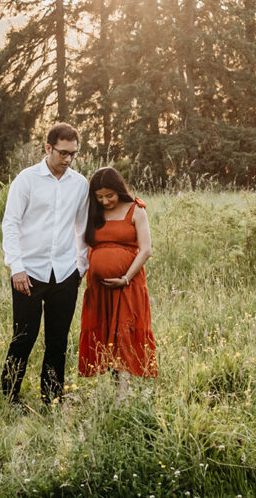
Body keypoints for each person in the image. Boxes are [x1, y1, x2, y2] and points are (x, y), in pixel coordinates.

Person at [0, 122, 88, 407]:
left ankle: (51, 399)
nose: (68, 159)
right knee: (23, 339)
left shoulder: (79, 184)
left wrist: (80, 267)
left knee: (58, 342)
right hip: (29, 274)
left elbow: (82, 229)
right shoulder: (26, 181)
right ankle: (9, 398)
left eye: (73, 153)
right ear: (48, 148)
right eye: (63, 153)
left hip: (64, 273)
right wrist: (16, 267)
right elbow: (10, 224)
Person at [77, 165, 157, 395]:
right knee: (106, 335)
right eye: (99, 196)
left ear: (118, 190)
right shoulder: (93, 212)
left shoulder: (136, 210)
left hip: (127, 285)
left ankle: (124, 392)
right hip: (99, 289)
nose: (104, 201)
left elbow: (146, 250)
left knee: (124, 334)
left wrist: (125, 278)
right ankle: (115, 390)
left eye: (109, 195)